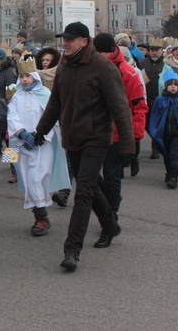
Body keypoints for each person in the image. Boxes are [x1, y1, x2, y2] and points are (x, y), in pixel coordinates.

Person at [34, 22, 134, 272]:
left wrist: (128, 147)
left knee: (83, 193)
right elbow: (55, 104)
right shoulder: (65, 67)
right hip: (72, 138)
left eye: (70, 40)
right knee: (90, 187)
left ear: (84, 41)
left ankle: (72, 250)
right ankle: (110, 225)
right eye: (64, 39)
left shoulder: (104, 68)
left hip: (96, 138)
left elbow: (120, 109)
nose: (65, 44)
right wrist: (40, 130)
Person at [7, 57, 69, 236]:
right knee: (27, 178)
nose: (25, 79)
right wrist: (22, 134)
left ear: (34, 75)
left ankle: (42, 216)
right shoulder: (17, 97)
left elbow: (51, 117)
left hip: (42, 144)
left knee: (37, 176)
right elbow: (12, 118)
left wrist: (42, 134)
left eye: (28, 75)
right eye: (22, 76)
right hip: (23, 144)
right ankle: (40, 216)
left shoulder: (46, 94)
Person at [92, 33, 147, 218]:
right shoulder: (90, 68)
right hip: (93, 132)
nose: (98, 57)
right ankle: (110, 201)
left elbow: (139, 106)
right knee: (87, 175)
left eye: (102, 53)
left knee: (112, 175)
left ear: (110, 52)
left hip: (116, 135)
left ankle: (111, 214)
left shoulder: (129, 73)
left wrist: (136, 136)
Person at [143, 38, 166, 159]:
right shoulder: (143, 63)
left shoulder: (166, 64)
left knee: (157, 125)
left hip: (160, 100)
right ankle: (156, 143)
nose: (154, 52)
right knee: (147, 124)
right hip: (146, 99)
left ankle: (156, 148)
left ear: (162, 51)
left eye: (157, 50)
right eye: (152, 50)